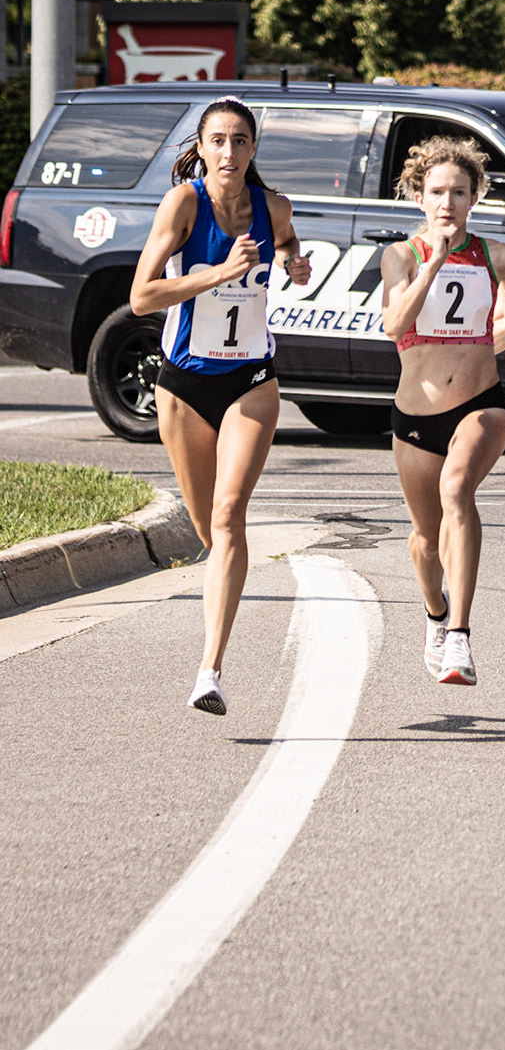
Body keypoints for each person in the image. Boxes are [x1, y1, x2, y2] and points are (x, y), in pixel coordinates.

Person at [130, 97, 309, 715]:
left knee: (231, 516)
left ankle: (210, 670)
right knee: (210, 531)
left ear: (253, 148)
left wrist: (293, 261)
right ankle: (220, 593)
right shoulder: (183, 204)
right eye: (218, 141)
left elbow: (286, 239)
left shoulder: (273, 207)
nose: (229, 151)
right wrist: (217, 272)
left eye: (240, 141)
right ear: (202, 148)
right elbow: (142, 297)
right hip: (184, 384)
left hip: (251, 379)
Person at [380, 136, 505, 687]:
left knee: (458, 489)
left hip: (481, 402)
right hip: (416, 416)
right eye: (437, 192)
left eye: (459, 192)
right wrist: (434, 264)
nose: (448, 203)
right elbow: (394, 325)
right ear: (419, 197)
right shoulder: (401, 256)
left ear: (474, 197)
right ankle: (436, 613)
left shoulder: (497, 255)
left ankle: (460, 635)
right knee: (425, 538)